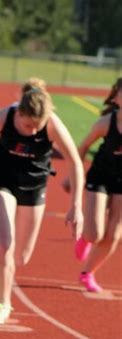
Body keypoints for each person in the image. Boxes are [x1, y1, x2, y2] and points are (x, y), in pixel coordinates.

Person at [0, 78, 84, 324]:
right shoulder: (6, 115)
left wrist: (76, 206)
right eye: (27, 125)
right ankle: (3, 304)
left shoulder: (52, 124)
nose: (33, 131)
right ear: (20, 113)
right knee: (7, 243)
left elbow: (75, 162)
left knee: (21, 257)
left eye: (37, 126)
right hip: (1, 181)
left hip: (34, 187)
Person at [71, 78, 122, 292]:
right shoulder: (105, 123)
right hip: (100, 176)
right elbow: (82, 147)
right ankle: (86, 237)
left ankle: (87, 273)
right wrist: (73, 175)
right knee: (96, 233)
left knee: (114, 234)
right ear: (117, 98)